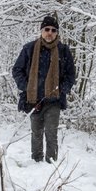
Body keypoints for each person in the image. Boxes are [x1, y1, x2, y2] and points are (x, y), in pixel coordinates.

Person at [12, 15, 76, 163]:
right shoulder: (29, 49)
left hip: (54, 100)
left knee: (51, 133)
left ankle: (50, 163)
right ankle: (36, 161)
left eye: (53, 30)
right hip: (33, 100)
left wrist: (61, 89)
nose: (50, 33)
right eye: (46, 29)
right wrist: (27, 88)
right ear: (41, 31)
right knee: (36, 133)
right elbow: (17, 70)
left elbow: (71, 75)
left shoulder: (63, 51)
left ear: (57, 33)